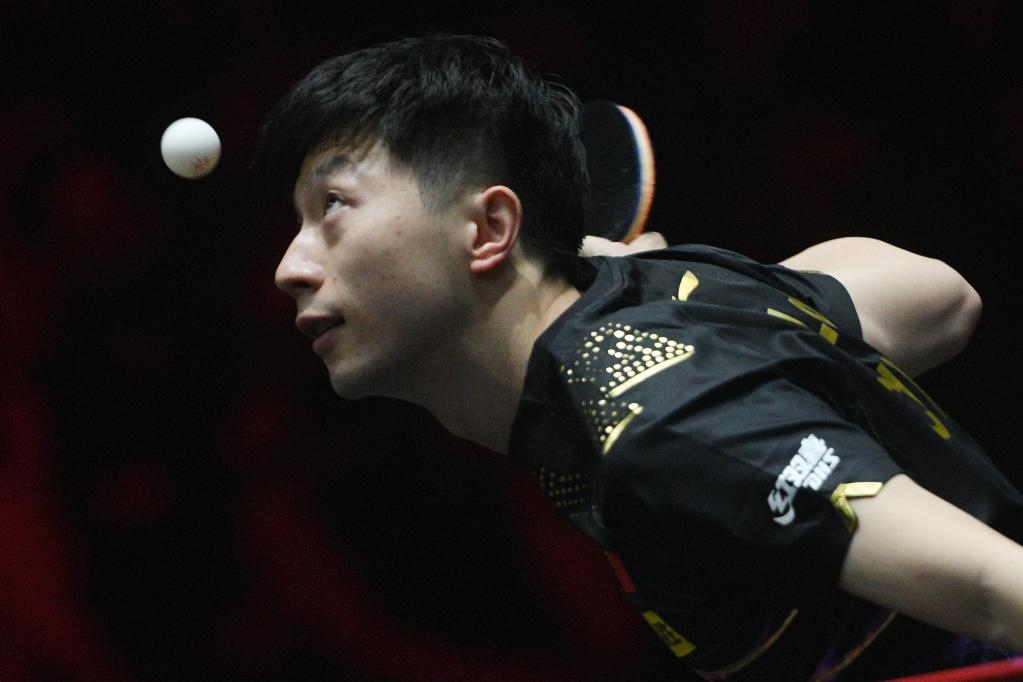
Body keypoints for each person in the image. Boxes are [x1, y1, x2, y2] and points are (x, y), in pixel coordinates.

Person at [258, 34, 1023, 680]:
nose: (290, 268)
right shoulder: (662, 323)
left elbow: (996, 587)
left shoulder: (661, 420)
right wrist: (694, 294)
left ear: (488, 230)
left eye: (333, 207)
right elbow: (939, 298)